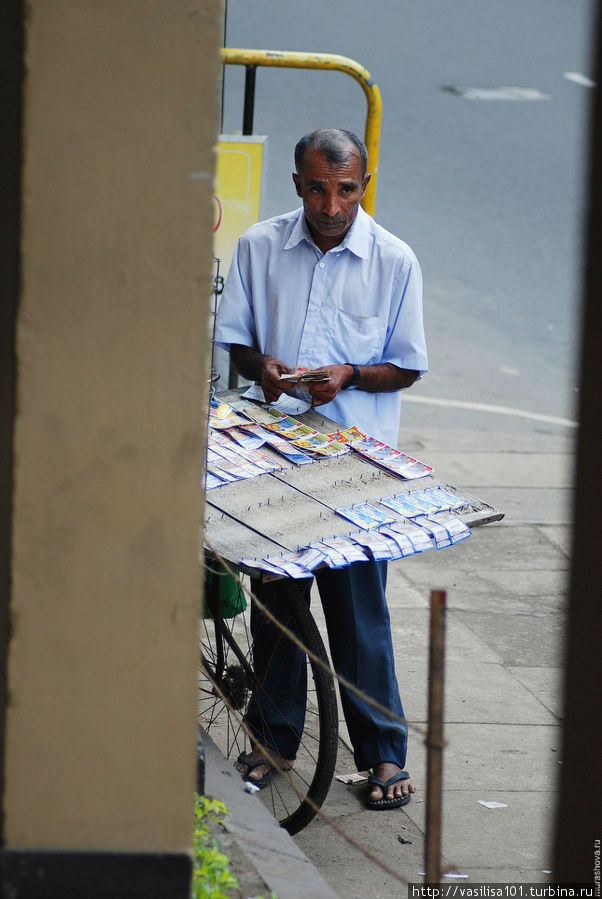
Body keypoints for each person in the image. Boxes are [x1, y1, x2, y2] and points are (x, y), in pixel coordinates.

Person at [214, 128, 428, 809]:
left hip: (356, 465)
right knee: (278, 604)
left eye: (345, 189)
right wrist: (266, 370)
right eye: (317, 188)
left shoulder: (394, 261)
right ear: (297, 185)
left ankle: (383, 753)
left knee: (359, 612)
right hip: (271, 454)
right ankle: (273, 739)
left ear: (362, 185)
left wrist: (351, 375)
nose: (331, 205)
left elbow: (407, 365)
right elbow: (240, 343)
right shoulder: (259, 247)